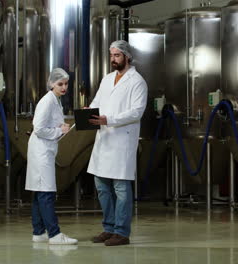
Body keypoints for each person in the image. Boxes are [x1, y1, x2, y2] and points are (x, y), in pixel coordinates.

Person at [87, 40, 148, 246]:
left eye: (117, 56)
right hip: (104, 139)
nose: (113, 59)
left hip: (122, 140)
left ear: (127, 56)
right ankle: (109, 227)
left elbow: (136, 112)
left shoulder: (137, 81)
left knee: (121, 188)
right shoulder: (107, 79)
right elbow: (97, 102)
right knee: (102, 187)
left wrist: (109, 120)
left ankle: (122, 232)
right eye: (111, 56)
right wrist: (89, 111)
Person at [25, 68, 78, 245]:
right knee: (46, 193)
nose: (64, 87)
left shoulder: (56, 100)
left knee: (39, 192)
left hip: (43, 150)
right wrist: (58, 130)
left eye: (66, 84)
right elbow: (38, 128)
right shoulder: (47, 101)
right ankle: (54, 235)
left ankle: (39, 232)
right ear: (51, 84)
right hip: (41, 151)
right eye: (60, 84)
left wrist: (61, 128)